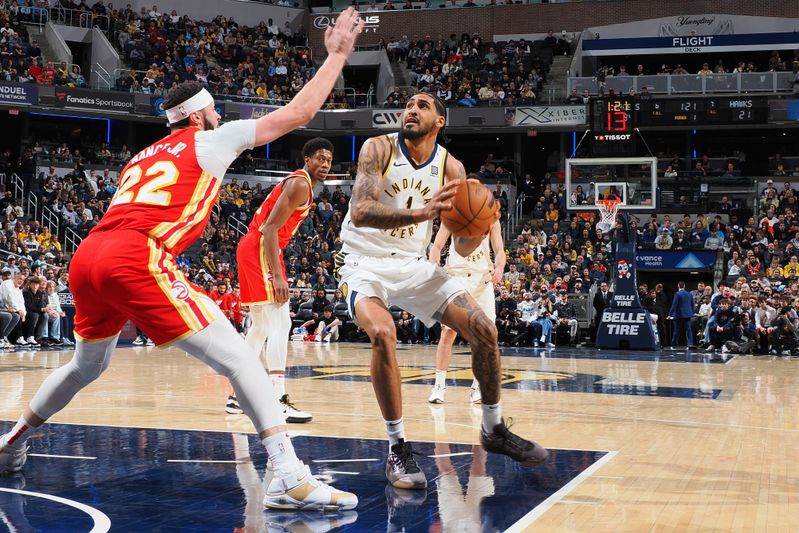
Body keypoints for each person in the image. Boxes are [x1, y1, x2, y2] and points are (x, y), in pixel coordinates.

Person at [0, 8, 364, 512]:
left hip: (89, 254)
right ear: (197, 116)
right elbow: (298, 115)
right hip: (136, 254)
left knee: (87, 364)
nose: (219, 117)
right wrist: (338, 56)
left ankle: (13, 441)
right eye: (214, 110)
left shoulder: (140, 156)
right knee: (239, 356)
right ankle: (287, 475)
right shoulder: (211, 138)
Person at [337, 92, 548, 491]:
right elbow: (362, 211)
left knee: (485, 328)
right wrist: (423, 213)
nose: (410, 110)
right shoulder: (378, 148)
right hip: (363, 262)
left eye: (422, 106)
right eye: (408, 104)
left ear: (439, 122)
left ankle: (493, 428)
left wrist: (481, 222)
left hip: (414, 266)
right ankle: (397, 447)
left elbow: (463, 242)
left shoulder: (452, 168)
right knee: (383, 334)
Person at [226, 138, 335, 423]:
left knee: (261, 325)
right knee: (280, 321)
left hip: (255, 247)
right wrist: (276, 274)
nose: (324, 164)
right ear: (307, 159)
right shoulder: (300, 183)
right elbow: (271, 228)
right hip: (262, 247)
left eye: (329, 161)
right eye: (320, 158)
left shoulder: (301, 185)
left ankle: (238, 396)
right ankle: (276, 398)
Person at [427, 218, 505, 405]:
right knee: (448, 332)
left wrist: (500, 266)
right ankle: (439, 386)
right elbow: (437, 246)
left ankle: (477, 387)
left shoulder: (491, 218)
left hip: (482, 280)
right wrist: (433, 267)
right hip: (456, 278)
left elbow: (500, 249)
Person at [668, 281, 694, 349]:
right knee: (688, 330)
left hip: (678, 315)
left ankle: (674, 345)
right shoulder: (689, 294)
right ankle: (690, 344)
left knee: (676, 330)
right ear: (684, 286)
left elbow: (674, 305)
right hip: (688, 315)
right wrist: (692, 313)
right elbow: (692, 305)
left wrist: (670, 314)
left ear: (678, 286)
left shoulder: (677, 294)